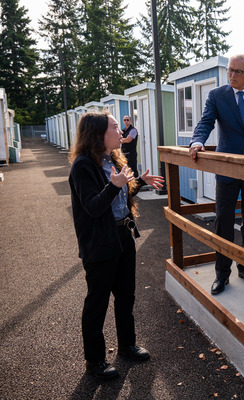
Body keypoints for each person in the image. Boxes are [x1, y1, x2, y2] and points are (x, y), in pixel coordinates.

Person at [69, 111, 164, 379]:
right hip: (100, 243)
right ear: (98, 134)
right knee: (97, 302)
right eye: (114, 127)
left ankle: (127, 345)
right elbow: (93, 207)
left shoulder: (113, 158)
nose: (120, 132)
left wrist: (139, 184)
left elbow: (119, 197)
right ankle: (95, 360)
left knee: (126, 296)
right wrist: (114, 185)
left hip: (123, 235)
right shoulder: (83, 166)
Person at [189, 54, 244, 295]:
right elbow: (206, 122)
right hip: (227, 168)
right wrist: (198, 141)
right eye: (230, 70)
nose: (232, 75)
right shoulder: (217, 95)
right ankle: (222, 273)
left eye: (238, 72)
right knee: (224, 220)